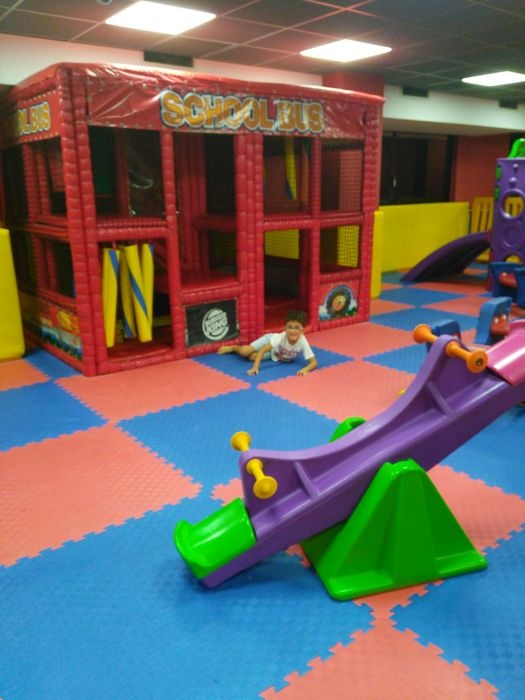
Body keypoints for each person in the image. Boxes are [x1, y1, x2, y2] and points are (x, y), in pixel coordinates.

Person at [217, 310, 318, 376]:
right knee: (245, 352)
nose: (292, 331)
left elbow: (314, 362)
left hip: (275, 354)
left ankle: (244, 351)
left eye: (296, 328)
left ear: (302, 330)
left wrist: (305, 370)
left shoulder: (302, 342)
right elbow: (263, 350)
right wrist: (255, 368)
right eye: (289, 327)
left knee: (252, 357)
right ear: (285, 328)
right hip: (269, 340)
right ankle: (234, 348)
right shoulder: (280, 337)